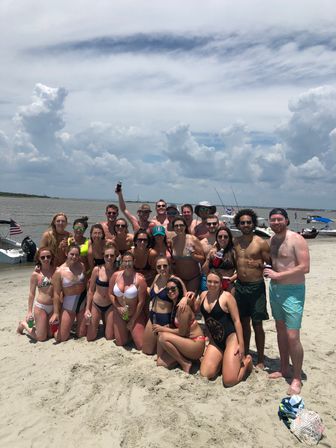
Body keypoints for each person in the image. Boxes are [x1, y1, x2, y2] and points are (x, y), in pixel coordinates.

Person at [265, 208, 310, 395]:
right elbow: (271, 263)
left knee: (293, 336)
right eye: (273, 220)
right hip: (275, 290)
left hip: (293, 291)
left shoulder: (296, 239)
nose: (276, 222)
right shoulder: (271, 240)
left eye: (279, 219)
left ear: (286, 220)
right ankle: (284, 367)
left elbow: (305, 267)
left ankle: (297, 378)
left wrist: (278, 274)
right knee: (280, 330)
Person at [197, 271, 253, 386]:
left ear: (221, 284)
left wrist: (241, 344)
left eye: (216, 282)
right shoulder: (202, 295)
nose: (212, 284)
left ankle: (247, 362)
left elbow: (237, 321)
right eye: (209, 281)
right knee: (205, 374)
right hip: (216, 341)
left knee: (229, 381)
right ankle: (223, 359)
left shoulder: (227, 297)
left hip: (231, 339)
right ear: (206, 282)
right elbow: (200, 314)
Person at [233, 209, 271, 369]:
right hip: (240, 287)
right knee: (243, 322)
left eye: (249, 222)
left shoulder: (261, 242)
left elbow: (272, 264)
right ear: (238, 225)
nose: (246, 225)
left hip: (256, 287)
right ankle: (247, 351)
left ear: (253, 223)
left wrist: (260, 265)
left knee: (257, 324)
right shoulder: (235, 241)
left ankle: (261, 359)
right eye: (243, 222)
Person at [153, 277, 206, 372]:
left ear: (179, 289)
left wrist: (162, 329)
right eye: (167, 289)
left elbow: (182, 333)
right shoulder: (175, 304)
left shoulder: (183, 307)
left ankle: (184, 363)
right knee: (160, 363)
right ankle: (188, 358)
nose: (170, 291)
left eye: (173, 289)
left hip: (195, 343)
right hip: (186, 342)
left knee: (162, 336)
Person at [50, 243, 87, 342]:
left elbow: (85, 284)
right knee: (61, 338)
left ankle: (73, 325)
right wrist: (56, 313)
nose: (74, 257)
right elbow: (56, 294)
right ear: (66, 253)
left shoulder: (82, 266)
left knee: (81, 334)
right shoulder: (59, 272)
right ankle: (61, 326)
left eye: (77, 255)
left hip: (82, 304)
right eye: (72, 254)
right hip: (69, 306)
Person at [109, 252, 147, 350]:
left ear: (134, 262)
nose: (127, 264)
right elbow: (110, 294)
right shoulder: (115, 276)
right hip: (120, 313)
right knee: (120, 343)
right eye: (125, 261)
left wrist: (133, 320)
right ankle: (128, 333)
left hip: (135, 314)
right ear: (121, 262)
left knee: (141, 346)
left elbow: (141, 302)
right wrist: (118, 307)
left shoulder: (139, 279)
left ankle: (132, 330)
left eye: (129, 261)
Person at [142, 257, 179, 358]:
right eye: (159, 267)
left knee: (161, 356)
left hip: (165, 319)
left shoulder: (174, 280)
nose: (162, 268)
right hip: (153, 316)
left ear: (169, 266)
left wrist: (186, 299)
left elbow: (184, 296)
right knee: (147, 351)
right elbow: (151, 292)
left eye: (165, 266)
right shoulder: (157, 277)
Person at [17, 247, 56, 341]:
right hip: (41, 307)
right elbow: (31, 294)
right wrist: (29, 311)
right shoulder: (36, 274)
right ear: (39, 258)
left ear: (51, 257)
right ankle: (23, 324)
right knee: (41, 338)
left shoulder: (57, 270)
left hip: (53, 307)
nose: (46, 259)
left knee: (51, 335)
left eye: (48, 256)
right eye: (43, 257)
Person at [85, 243, 118, 341]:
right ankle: (98, 323)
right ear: (103, 256)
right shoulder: (97, 270)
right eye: (106, 255)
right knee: (90, 337)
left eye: (112, 255)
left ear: (115, 256)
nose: (109, 258)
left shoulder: (118, 271)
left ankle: (105, 321)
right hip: (96, 304)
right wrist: (87, 309)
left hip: (110, 306)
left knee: (109, 337)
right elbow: (90, 290)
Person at [171, 216, 205, 292]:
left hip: (193, 278)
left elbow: (203, 259)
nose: (179, 227)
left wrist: (194, 256)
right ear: (173, 228)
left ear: (185, 226)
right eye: (176, 226)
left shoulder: (193, 239)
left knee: (188, 300)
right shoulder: (173, 241)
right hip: (179, 278)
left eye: (181, 225)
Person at [203, 226, 236, 292]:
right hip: (214, 284)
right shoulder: (212, 251)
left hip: (228, 284)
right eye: (220, 236)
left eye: (226, 237)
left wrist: (231, 279)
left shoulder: (233, 252)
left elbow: (239, 271)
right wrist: (209, 256)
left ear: (229, 238)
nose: (222, 239)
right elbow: (204, 271)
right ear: (217, 238)